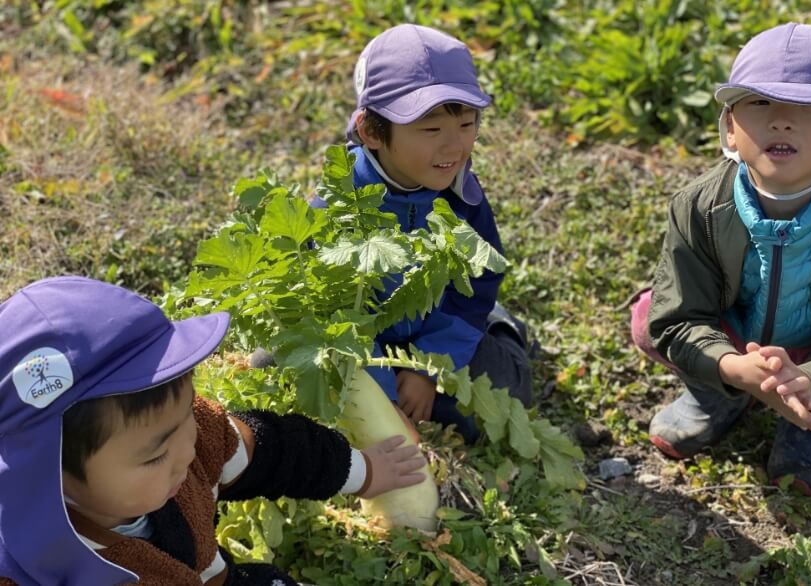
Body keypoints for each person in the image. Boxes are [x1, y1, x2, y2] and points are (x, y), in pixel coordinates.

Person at [0, 276, 426, 585]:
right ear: (50, 477)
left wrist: (363, 472)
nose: (187, 450)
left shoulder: (196, 438)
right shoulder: (34, 570)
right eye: (153, 456)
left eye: (185, 415)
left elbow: (277, 450)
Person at [630, 22, 811, 496]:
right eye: (760, 102)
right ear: (729, 125)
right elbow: (677, 318)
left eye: (810, 106)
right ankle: (719, 396)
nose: (782, 119)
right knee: (647, 317)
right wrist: (730, 367)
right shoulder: (700, 207)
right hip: (735, 344)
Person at [333, 23, 533, 443]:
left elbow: (476, 285)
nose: (454, 147)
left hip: (437, 329)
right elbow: (329, 320)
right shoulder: (339, 206)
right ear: (371, 131)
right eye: (430, 129)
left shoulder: (462, 198)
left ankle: (501, 328)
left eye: (466, 124)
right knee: (278, 371)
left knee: (507, 394)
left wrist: (428, 367)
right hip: (361, 352)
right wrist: (381, 392)